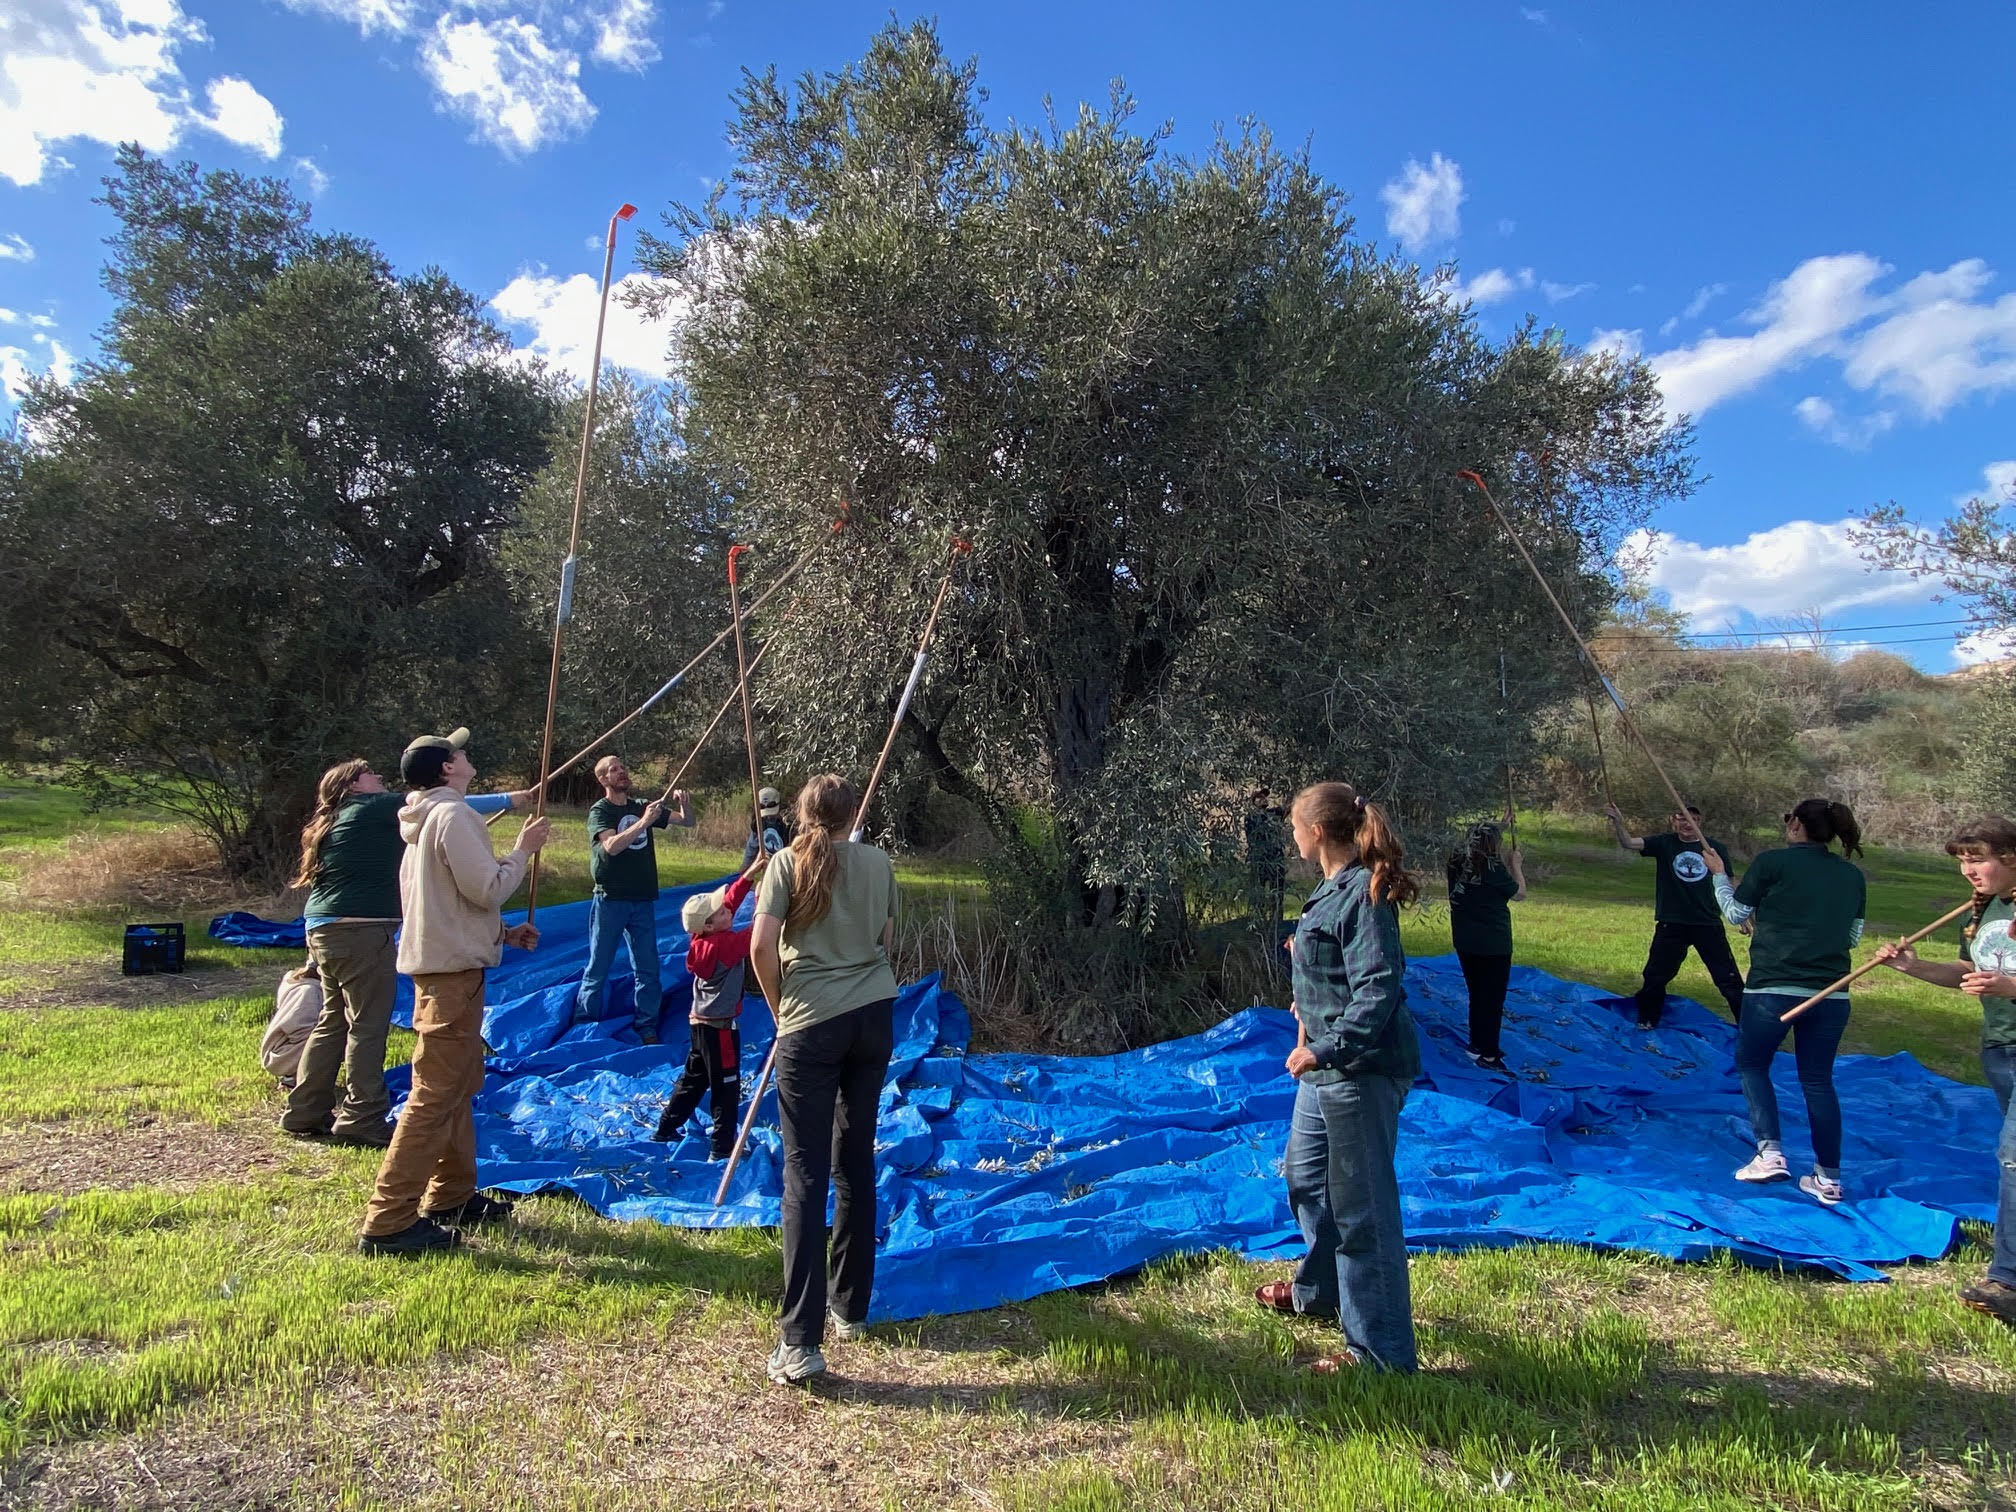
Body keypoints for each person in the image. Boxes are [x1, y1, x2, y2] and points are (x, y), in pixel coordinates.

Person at [357, 728, 551, 1257]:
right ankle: (388, 1221)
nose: (466, 756)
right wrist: (523, 851)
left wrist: (501, 933)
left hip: (444, 971)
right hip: (451, 978)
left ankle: (451, 1196)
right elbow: (487, 887)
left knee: (459, 1083)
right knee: (434, 1093)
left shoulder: (423, 820)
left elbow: (445, 902)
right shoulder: (454, 815)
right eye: (459, 752)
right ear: (447, 768)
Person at [1251, 780, 1420, 1374]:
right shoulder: (1331, 888)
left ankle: (1380, 1354)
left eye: (1295, 828)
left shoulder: (1365, 894)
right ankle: (1321, 1293)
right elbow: (1342, 969)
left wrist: (1324, 1048)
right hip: (1327, 1070)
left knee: (1362, 1211)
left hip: (1359, 1071)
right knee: (1306, 1180)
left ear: (1317, 831)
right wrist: (1310, 992)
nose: (1292, 837)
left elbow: (1378, 988)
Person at [285, 755, 530, 1145]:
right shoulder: (372, 806)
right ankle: (362, 1116)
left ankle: (305, 1110)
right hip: (361, 929)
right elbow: (443, 802)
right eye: (369, 774)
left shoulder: (339, 818)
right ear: (352, 786)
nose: (378, 776)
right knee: (367, 1023)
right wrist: (510, 800)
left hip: (322, 926)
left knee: (333, 1020)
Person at [749, 773, 900, 1385]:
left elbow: (760, 947)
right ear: (850, 813)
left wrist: (778, 1008)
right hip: (873, 1016)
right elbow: (887, 938)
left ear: (802, 812)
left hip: (810, 1022)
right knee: (854, 1158)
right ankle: (850, 1307)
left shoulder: (785, 864)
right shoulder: (878, 862)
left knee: (805, 1173)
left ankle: (800, 1342)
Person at [1872, 816, 2016, 1325]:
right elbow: (1965, 971)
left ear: (2012, 858)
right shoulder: (1984, 909)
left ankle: (2007, 1280)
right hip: (2000, 1049)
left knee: (2013, 1157)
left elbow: (2003, 980)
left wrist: (2010, 987)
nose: (1968, 871)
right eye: (1962, 862)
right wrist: (1912, 967)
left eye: (1978, 860)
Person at [1702, 798, 1867, 1207]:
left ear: (1795, 825)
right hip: (1832, 993)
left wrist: (1719, 875)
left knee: (1753, 1064)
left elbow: (1735, 912)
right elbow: (1851, 938)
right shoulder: (1851, 875)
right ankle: (1828, 1178)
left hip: (1772, 988)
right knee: (1818, 1080)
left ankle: (1770, 1153)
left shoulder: (1771, 862)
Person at [652, 851, 768, 1154]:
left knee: (694, 1079)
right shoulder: (725, 945)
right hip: (720, 1029)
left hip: (700, 1024)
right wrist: (763, 899)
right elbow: (758, 933)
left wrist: (748, 876)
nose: (727, 910)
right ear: (709, 925)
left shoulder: (701, 940)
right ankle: (722, 1146)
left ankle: (665, 1128)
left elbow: (729, 903)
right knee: (726, 1085)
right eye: (720, 912)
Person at [577, 754, 693, 1043]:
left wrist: (685, 803)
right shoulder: (600, 811)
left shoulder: (641, 806)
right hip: (611, 899)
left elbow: (687, 822)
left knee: (647, 968)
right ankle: (584, 1027)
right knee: (598, 966)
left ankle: (647, 1027)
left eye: (622, 767)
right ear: (603, 779)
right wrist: (643, 823)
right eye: (613, 769)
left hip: (642, 899)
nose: (621, 772)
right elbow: (611, 847)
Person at [1605, 802, 1745, 1028]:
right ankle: (1647, 1021)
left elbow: (1729, 880)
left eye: (1693, 819)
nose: (1687, 823)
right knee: (1655, 976)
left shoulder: (1713, 848)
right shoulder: (1664, 843)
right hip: (1672, 922)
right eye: (1682, 818)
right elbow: (1628, 843)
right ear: (1673, 821)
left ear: (1700, 822)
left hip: (1707, 922)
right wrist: (1618, 821)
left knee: (1728, 979)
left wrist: (1743, 916)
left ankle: (1749, 1029)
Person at [1447, 816, 1526, 1072]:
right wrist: (1516, 865)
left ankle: (1476, 1044)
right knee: (1492, 1000)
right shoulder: (1493, 870)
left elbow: (1478, 842)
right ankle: (1489, 1054)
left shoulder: (1456, 862)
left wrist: (1499, 826)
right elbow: (1520, 893)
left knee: (1477, 993)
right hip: (1493, 945)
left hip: (1465, 941)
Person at [1244, 787, 1289, 958]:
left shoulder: (1273, 813)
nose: (1263, 799)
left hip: (1276, 862)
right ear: (1253, 802)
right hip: (1260, 862)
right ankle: (1259, 927)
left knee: (1277, 896)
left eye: (1264, 797)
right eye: (1259, 797)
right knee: (1260, 896)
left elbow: (1288, 808)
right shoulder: (1251, 818)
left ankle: (1277, 924)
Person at [742, 785, 794, 867]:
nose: (769, 817)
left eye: (772, 813)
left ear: (780, 806)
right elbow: (750, 853)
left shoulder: (789, 826)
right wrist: (743, 871)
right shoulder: (759, 825)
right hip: (768, 869)